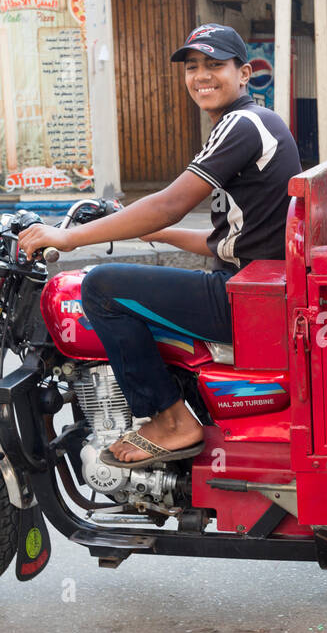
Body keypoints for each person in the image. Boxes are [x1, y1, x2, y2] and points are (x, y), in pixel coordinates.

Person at [19, 24, 301, 468]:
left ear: (243, 73)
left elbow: (169, 203)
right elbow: (233, 240)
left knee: (99, 287)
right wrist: (154, 233)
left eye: (215, 65)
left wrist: (67, 237)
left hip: (246, 299)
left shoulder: (241, 124)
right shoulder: (255, 123)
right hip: (255, 286)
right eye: (193, 68)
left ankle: (171, 420)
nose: (201, 76)